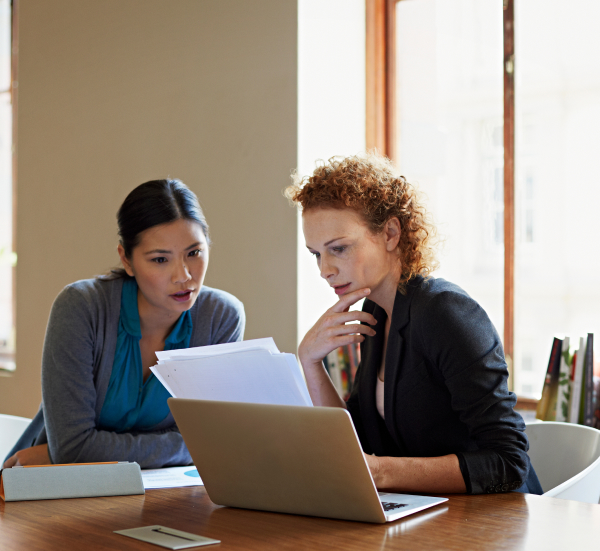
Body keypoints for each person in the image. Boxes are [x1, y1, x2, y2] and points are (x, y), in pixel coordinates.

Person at [285, 153, 542, 495]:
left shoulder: (446, 312)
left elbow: (508, 464)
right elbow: (354, 447)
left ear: (390, 233)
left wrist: (382, 472)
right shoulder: (375, 312)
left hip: (493, 525)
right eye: (317, 253)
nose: (324, 269)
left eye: (339, 249)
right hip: (430, 519)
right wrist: (310, 361)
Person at [4, 179, 245, 469]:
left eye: (194, 253)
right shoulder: (80, 308)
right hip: (51, 493)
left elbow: (215, 442)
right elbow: (72, 449)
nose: (183, 276)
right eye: (159, 259)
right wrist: (70, 453)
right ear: (127, 260)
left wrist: (74, 453)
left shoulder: (221, 318)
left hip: (163, 495)